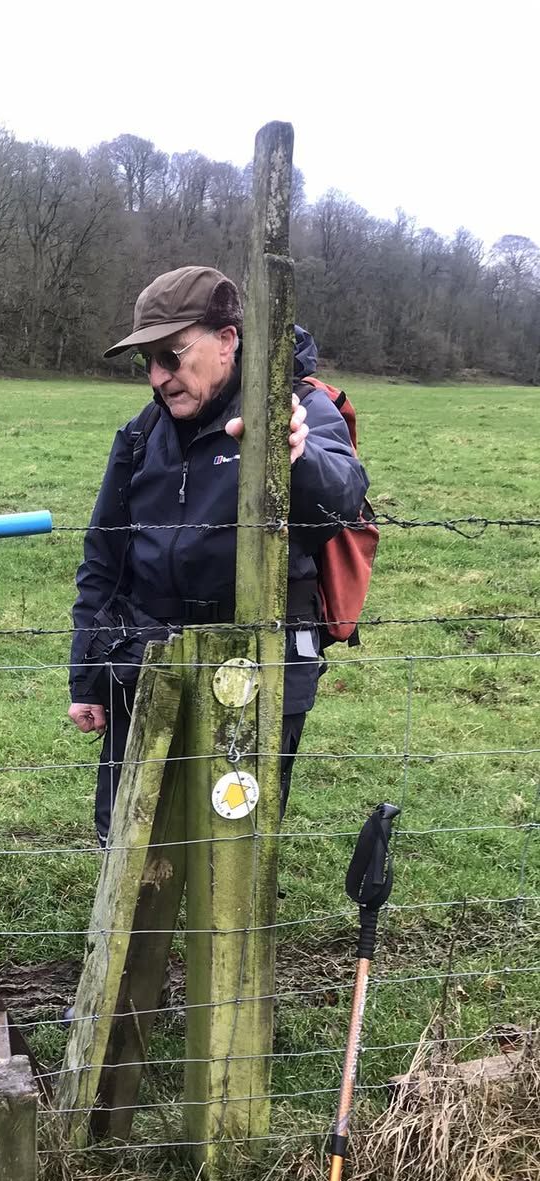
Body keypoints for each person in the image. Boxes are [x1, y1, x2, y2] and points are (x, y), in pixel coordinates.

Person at [68, 265, 369, 844]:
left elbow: (341, 498)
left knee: (234, 839)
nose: (158, 377)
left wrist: (296, 458)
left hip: (258, 669)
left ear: (227, 339)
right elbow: (103, 559)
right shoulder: (140, 435)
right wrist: (88, 679)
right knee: (130, 834)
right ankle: (132, 937)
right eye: (146, 361)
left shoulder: (296, 409)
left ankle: (231, 933)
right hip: (147, 662)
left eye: (171, 356)